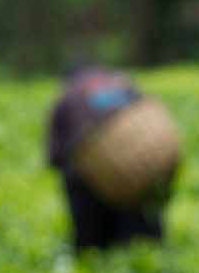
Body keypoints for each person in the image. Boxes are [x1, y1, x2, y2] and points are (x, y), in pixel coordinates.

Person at [46, 65, 168, 252]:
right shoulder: (124, 84)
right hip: (141, 170)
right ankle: (148, 252)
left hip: (91, 178)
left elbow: (56, 157)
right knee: (139, 224)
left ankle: (93, 252)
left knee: (78, 184)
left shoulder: (67, 97)